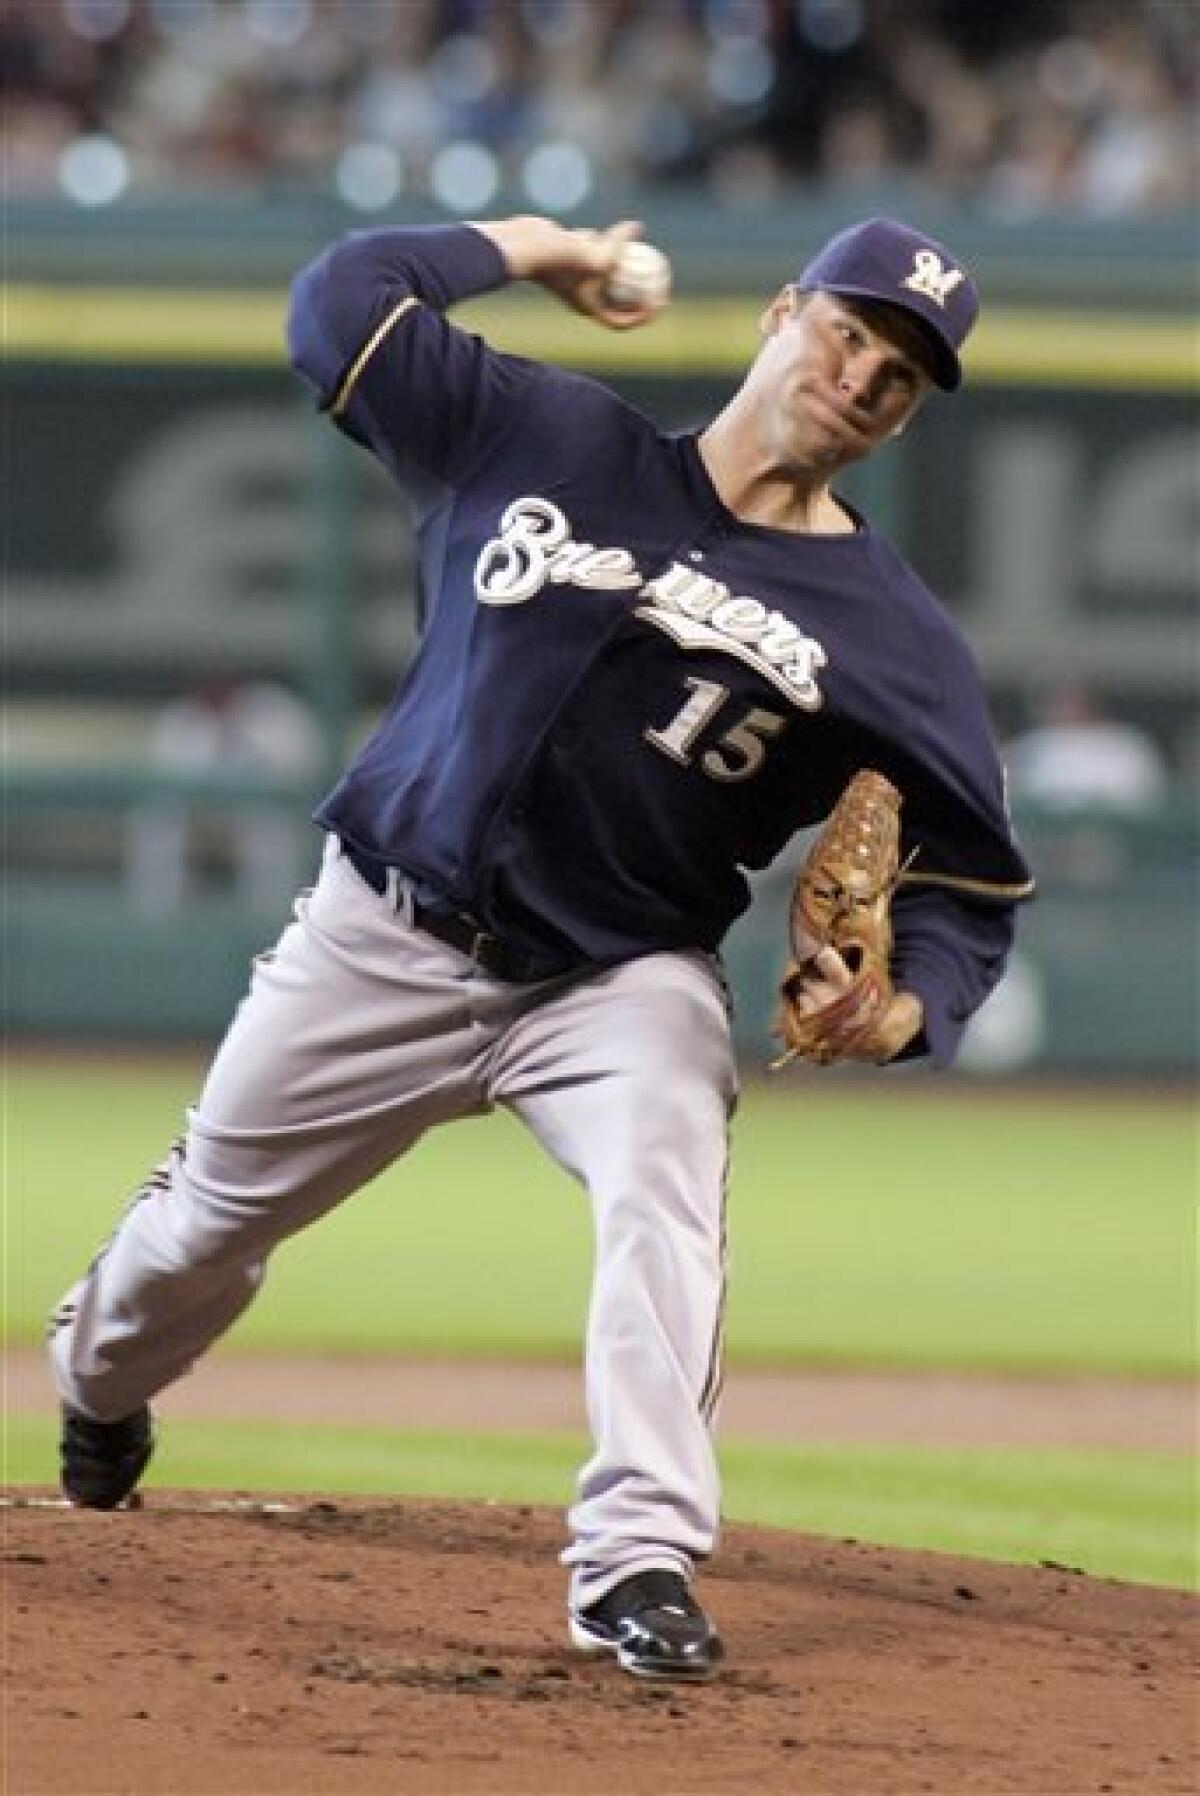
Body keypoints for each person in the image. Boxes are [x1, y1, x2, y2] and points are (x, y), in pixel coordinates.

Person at [50, 212, 1034, 1681]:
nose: (863, 377)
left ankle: (637, 1558)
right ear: (780, 314)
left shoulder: (894, 645)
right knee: (192, 1242)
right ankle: (101, 1384)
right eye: (849, 331)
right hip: (378, 937)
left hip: (614, 980)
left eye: (899, 373)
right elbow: (337, 305)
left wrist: (901, 1011)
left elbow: (973, 887)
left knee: (667, 1177)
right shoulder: (545, 434)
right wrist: (534, 246)